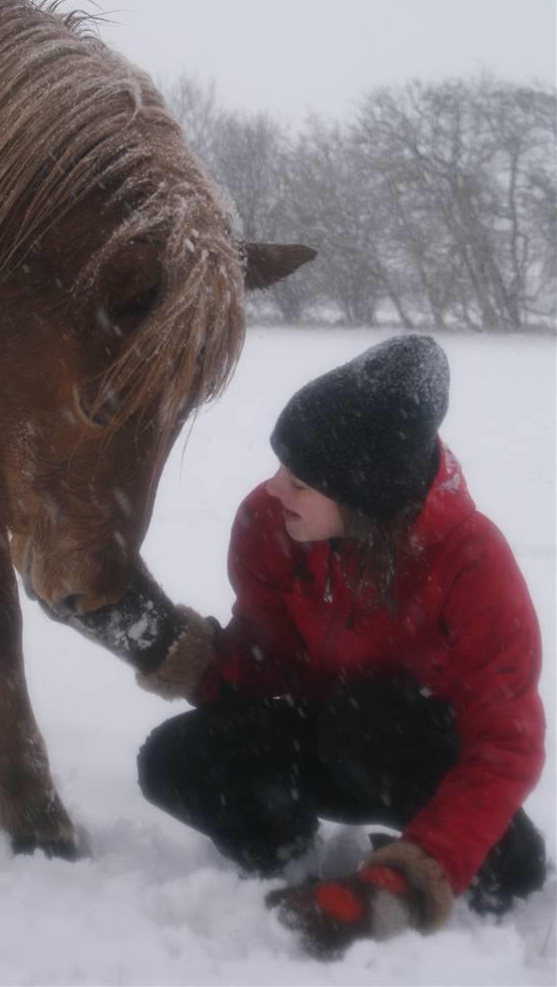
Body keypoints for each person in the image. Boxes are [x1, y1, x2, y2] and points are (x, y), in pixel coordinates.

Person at [72, 334, 547, 960]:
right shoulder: (269, 525)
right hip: (320, 738)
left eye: (298, 480)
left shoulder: (473, 564)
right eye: (279, 467)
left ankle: (467, 860)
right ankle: (289, 860)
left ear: (362, 496)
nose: (273, 490)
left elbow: (504, 745)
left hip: (418, 764)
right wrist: (153, 638)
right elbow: (269, 659)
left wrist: (399, 889)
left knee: (371, 728)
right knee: (173, 762)